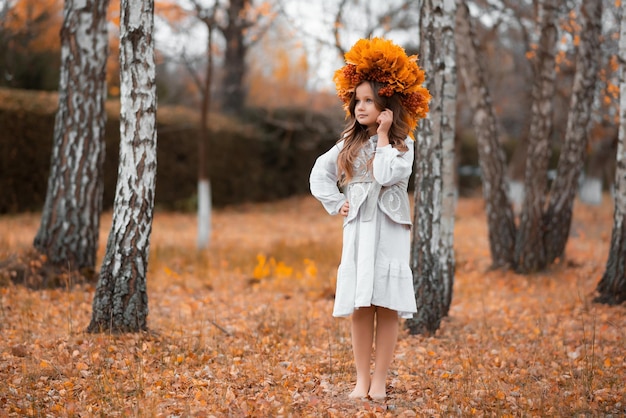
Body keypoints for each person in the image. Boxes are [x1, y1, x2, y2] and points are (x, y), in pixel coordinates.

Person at [309, 37, 430, 400]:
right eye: (357, 100)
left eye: (369, 101)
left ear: (386, 107)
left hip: (390, 230)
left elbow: (384, 176)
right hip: (359, 229)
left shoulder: (401, 146)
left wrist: (381, 136)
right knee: (362, 303)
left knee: (386, 304)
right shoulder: (348, 141)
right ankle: (361, 380)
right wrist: (336, 202)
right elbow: (319, 172)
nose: (360, 107)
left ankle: (379, 381)